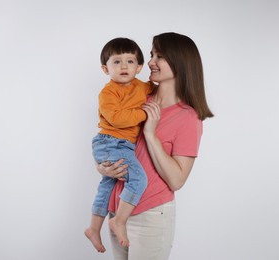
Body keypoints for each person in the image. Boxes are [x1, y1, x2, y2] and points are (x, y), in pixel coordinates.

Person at [96, 32, 214, 260]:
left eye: (159, 56)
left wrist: (150, 134)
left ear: (179, 62)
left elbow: (177, 180)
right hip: (117, 210)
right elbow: (108, 138)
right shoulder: (138, 97)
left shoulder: (188, 117)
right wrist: (102, 167)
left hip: (151, 214)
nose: (150, 62)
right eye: (152, 55)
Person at [84, 37, 155, 253]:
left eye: (130, 61)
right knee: (139, 178)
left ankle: (94, 228)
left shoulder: (143, 87)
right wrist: (143, 113)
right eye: (117, 62)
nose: (124, 66)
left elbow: (164, 87)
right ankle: (119, 221)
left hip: (121, 145)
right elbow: (116, 118)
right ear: (106, 69)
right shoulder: (108, 93)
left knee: (108, 184)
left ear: (139, 66)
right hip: (110, 142)